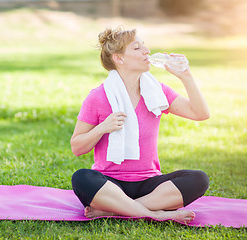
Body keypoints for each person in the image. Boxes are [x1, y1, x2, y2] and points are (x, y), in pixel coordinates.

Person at [70, 27, 210, 224]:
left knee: (199, 179)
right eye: (137, 48)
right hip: (110, 183)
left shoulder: (157, 92)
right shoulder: (97, 97)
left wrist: (185, 76)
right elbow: (77, 147)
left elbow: (201, 113)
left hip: (149, 183)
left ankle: (118, 210)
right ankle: (155, 213)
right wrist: (103, 127)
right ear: (119, 58)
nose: (146, 50)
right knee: (81, 178)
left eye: (144, 45)